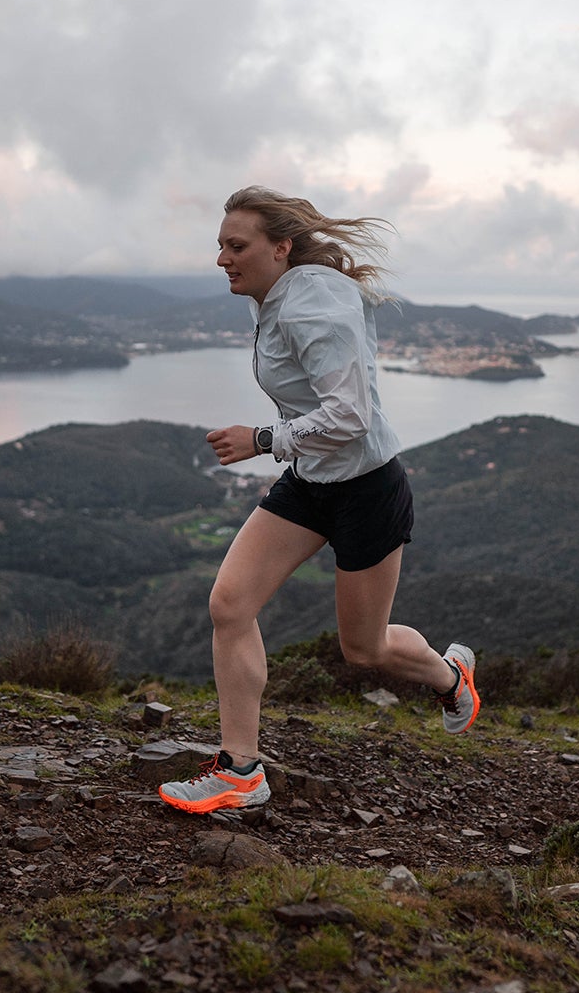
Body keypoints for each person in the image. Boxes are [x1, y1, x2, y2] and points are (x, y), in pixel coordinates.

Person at [158, 186, 480, 815]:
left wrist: (261, 439)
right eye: (220, 246)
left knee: (364, 649)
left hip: (367, 490)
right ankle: (240, 771)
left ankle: (450, 677)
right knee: (230, 605)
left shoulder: (315, 306)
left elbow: (351, 417)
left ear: (281, 247)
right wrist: (281, 443)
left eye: (236, 246)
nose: (222, 258)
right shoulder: (277, 296)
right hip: (311, 482)